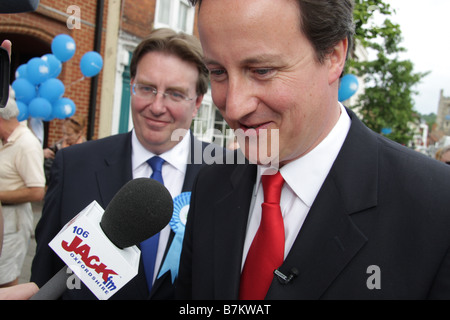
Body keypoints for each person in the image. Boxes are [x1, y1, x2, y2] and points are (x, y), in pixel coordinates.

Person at [176, 0, 450, 300]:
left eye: (262, 70)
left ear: (334, 56)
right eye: (217, 72)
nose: (234, 105)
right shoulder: (211, 185)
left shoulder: (436, 208)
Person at [30, 28, 224, 300]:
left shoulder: (228, 174)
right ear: (132, 85)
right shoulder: (73, 166)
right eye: (147, 88)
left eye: (175, 94)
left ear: (197, 103)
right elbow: (43, 280)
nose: (157, 106)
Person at [0, 86, 46, 288]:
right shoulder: (5, 141)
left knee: (5, 280)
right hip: (6, 218)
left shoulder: (26, 144)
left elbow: (37, 191)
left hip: (13, 223)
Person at [43, 114, 86, 184]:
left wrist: (63, 154)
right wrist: (43, 153)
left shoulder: (85, 150)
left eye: (69, 134)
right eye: (64, 133)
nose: (65, 138)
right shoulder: (57, 146)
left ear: (79, 133)